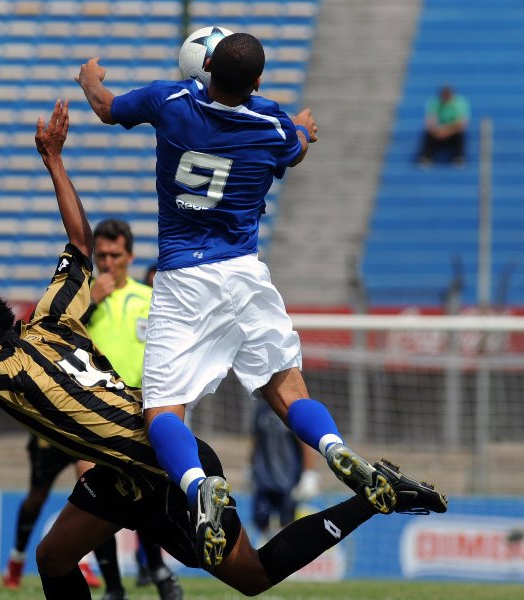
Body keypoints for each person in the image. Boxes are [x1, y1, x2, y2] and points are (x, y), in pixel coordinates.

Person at [0, 100, 447, 600]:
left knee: (251, 576)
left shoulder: (2, 366)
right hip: (121, 471)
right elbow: (80, 244)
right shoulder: (54, 320)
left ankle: (375, 497)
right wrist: (54, 160)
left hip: (160, 467)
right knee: (55, 558)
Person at [76, 32, 399, 570]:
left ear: (203, 69)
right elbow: (296, 145)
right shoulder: (271, 125)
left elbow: (107, 109)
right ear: (256, 81)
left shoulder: (169, 101)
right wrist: (303, 128)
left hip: (183, 280)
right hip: (246, 276)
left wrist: (90, 77)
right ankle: (334, 449)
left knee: (162, 411)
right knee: (289, 392)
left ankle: (198, 485)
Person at [84, 219, 182, 600]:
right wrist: (90, 302)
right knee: (94, 492)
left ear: (130, 256)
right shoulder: (81, 299)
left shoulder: (150, 298)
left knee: (146, 492)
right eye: (101, 255)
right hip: (90, 409)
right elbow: (56, 336)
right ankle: (113, 587)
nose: (107, 263)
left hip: (140, 410)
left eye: (115, 255)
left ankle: (157, 569)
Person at [3, 435, 104, 591]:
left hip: (77, 431)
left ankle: (83, 562)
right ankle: (17, 559)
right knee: (36, 499)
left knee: (92, 488)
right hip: (50, 435)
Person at [249, 396, 320, 545]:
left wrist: (309, 474)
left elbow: (306, 444)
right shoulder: (261, 411)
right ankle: (270, 549)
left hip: (288, 480)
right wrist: (250, 466)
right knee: (260, 520)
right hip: (263, 479)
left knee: (286, 523)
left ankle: (283, 557)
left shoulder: (292, 412)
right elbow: (255, 440)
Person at [417, 84, 470, 166]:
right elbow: (429, 122)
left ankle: (458, 158)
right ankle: (426, 157)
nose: (446, 98)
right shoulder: (434, 102)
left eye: (448, 95)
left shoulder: (459, 103)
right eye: (444, 95)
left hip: (452, 133)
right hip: (438, 133)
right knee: (428, 135)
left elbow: (462, 123)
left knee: (460, 135)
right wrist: (438, 131)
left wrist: (447, 131)